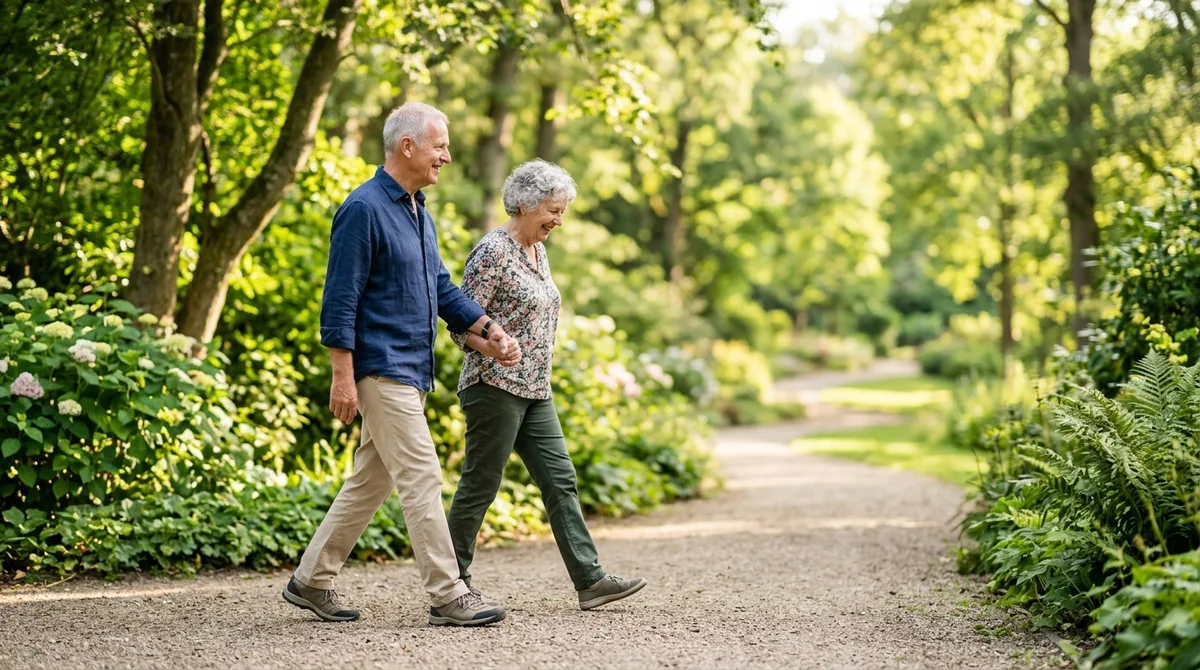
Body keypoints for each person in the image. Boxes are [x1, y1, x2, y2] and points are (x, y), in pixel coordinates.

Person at [283, 102, 521, 627]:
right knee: (421, 473)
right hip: (379, 365)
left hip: (412, 367)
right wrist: (342, 375)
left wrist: (487, 330)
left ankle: (311, 580)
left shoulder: (417, 210)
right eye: (439, 145)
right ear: (407, 146)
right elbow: (339, 300)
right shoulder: (363, 209)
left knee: (371, 481)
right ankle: (448, 592)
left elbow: (439, 288)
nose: (448, 155)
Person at [446, 159, 647, 611]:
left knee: (561, 481)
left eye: (562, 211)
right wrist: (492, 346)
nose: (558, 220)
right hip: (493, 384)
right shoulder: (492, 252)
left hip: (536, 389)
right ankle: (451, 583)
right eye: (553, 211)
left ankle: (590, 580)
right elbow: (460, 328)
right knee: (481, 483)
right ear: (523, 204)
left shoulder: (538, 250)